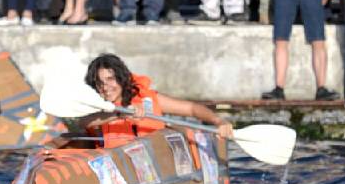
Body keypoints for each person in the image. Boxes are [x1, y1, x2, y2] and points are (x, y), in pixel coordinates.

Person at [82, 53, 234, 149]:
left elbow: (192, 109)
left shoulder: (148, 99)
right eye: (99, 83)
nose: (105, 87)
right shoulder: (95, 105)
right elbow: (82, 123)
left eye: (110, 79)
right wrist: (120, 115)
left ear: (121, 79)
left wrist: (218, 121)